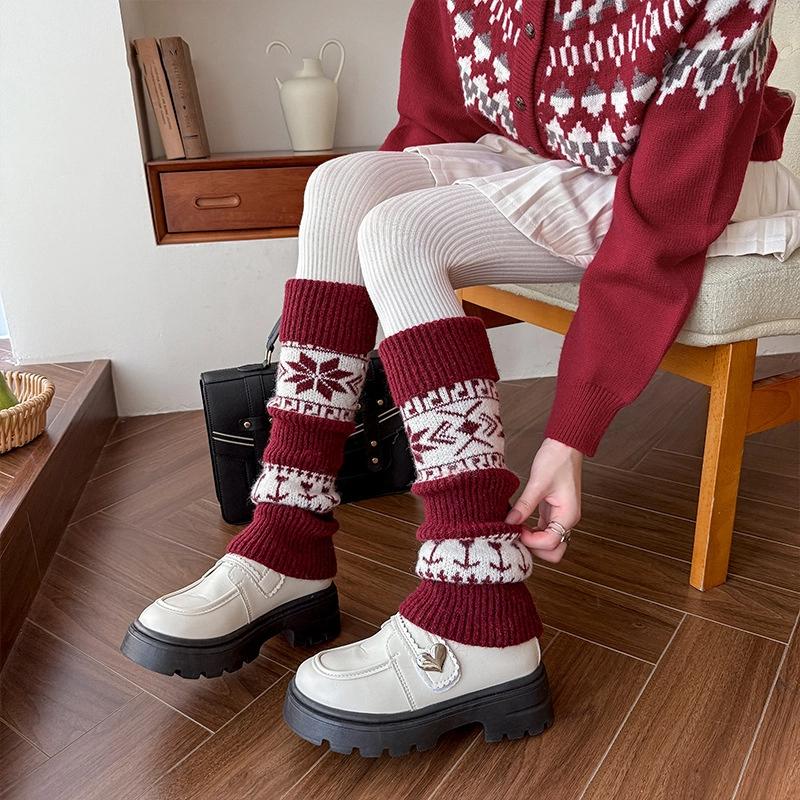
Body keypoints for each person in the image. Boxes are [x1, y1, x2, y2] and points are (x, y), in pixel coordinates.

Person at [122, 0, 797, 756]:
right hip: (544, 160)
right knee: (340, 187)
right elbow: (434, 121)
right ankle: (288, 532)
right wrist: (338, 308)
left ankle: (481, 602)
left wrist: (572, 429)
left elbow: (666, 220)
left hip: (696, 181)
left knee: (402, 231)